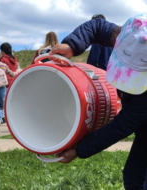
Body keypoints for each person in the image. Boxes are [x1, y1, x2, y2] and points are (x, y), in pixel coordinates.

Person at [49, 14, 147, 190]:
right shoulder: (131, 37)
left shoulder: (143, 101)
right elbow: (97, 26)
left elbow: (120, 127)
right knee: (134, 177)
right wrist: (72, 44)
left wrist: (80, 150)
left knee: (137, 178)